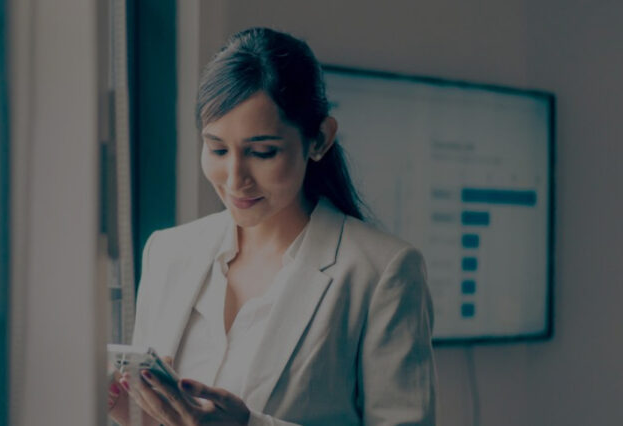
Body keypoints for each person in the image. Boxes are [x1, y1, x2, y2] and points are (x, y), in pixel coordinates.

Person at [107, 27, 436, 426]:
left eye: (262, 152)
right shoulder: (167, 252)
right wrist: (132, 416)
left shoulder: (382, 272)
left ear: (319, 140)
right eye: (217, 149)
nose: (234, 178)